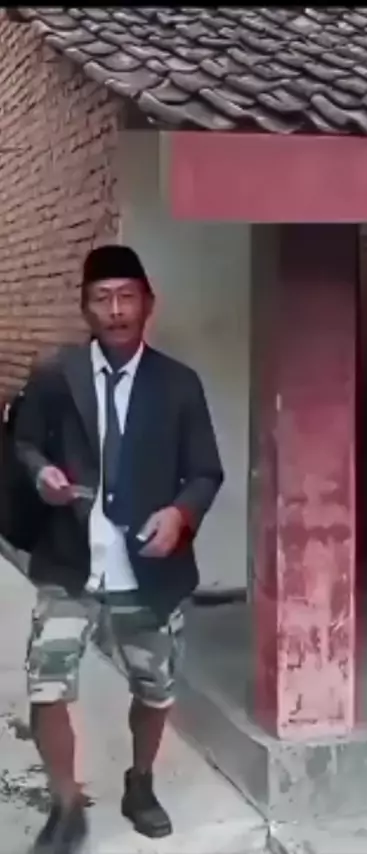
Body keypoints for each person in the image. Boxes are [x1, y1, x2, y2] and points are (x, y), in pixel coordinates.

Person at [14, 245, 224, 854]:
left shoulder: (179, 384)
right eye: (102, 299)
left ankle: (140, 782)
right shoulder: (56, 377)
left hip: (148, 568)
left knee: (154, 689)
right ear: (85, 308)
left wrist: (181, 514)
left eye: (126, 297)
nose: (115, 311)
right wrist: (41, 473)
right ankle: (65, 805)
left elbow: (205, 471)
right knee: (47, 686)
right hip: (70, 563)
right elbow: (24, 443)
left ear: (148, 303)